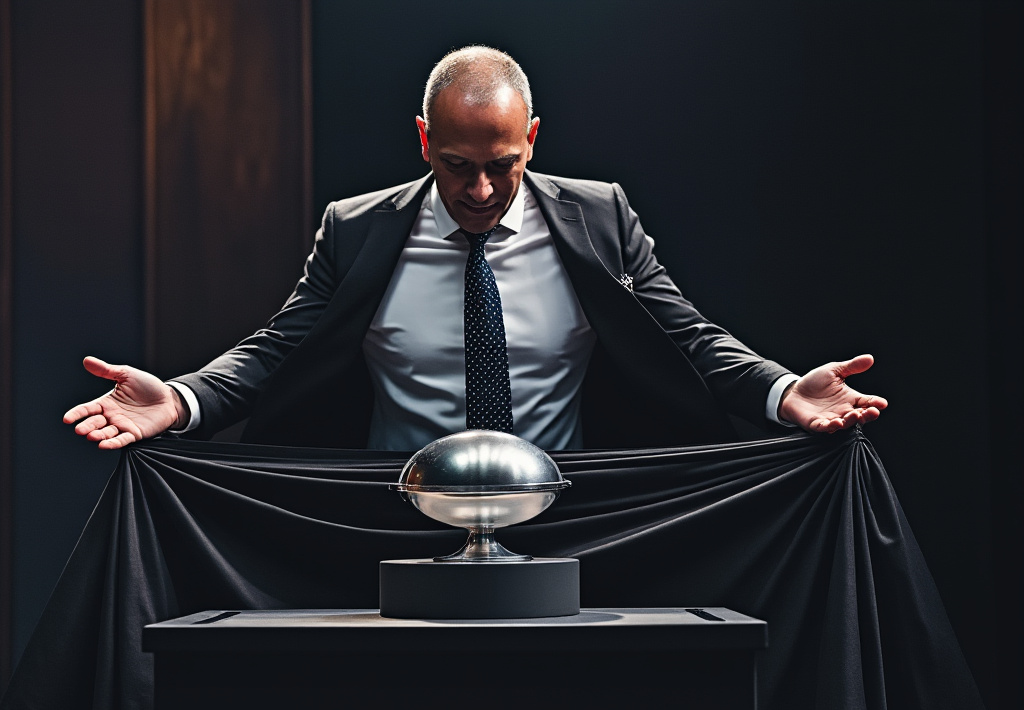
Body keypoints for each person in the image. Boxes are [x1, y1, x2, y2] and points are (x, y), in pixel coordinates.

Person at [64, 46, 886, 452]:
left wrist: (784, 390)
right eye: (458, 166)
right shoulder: (356, 228)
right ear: (424, 141)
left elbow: (689, 337)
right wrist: (181, 399)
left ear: (533, 140)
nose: (483, 191)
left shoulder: (600, 217)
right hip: (391, 520)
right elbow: (276, 350)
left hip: (570, 514)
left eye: (504, 165)